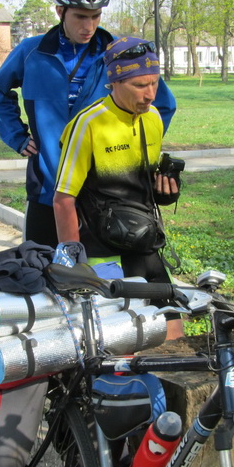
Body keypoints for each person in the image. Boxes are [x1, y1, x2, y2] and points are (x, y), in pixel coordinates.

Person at [0, 0, 176, 248]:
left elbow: (162, 104)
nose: (89, 26)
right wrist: (16, 136)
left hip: (103, 196)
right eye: (80, 16)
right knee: (39, 266)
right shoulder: (31, 52)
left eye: (95, 16)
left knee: (100, 271)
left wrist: (129, 152)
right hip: (47, 185)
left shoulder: (119, 54)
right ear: (60, 11)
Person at [53, 36, 184, 340]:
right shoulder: (88, 124)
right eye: (139, 85)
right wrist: (74, 265)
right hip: (102, 252)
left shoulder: (153, 119)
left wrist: (165, 193)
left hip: (144, 244)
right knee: (121, 345)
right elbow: (63, 199)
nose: (150, 94)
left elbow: (141, 184)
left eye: (154, 83)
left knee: (173, 333)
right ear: (114, 82)